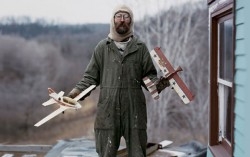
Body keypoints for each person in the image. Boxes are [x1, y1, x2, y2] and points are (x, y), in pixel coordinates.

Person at [67, 4, 169, 157]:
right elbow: (90, 78)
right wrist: (74, 94)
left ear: (131, 21)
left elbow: (149, 77)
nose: (122, 20)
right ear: (113, 20)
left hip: (134, 112)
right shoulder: (102, 48)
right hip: (107, 112)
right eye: (119, 16)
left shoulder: (140, 48)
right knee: (106, 153)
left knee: (137, 153)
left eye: (126, 17)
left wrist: (159, 84)